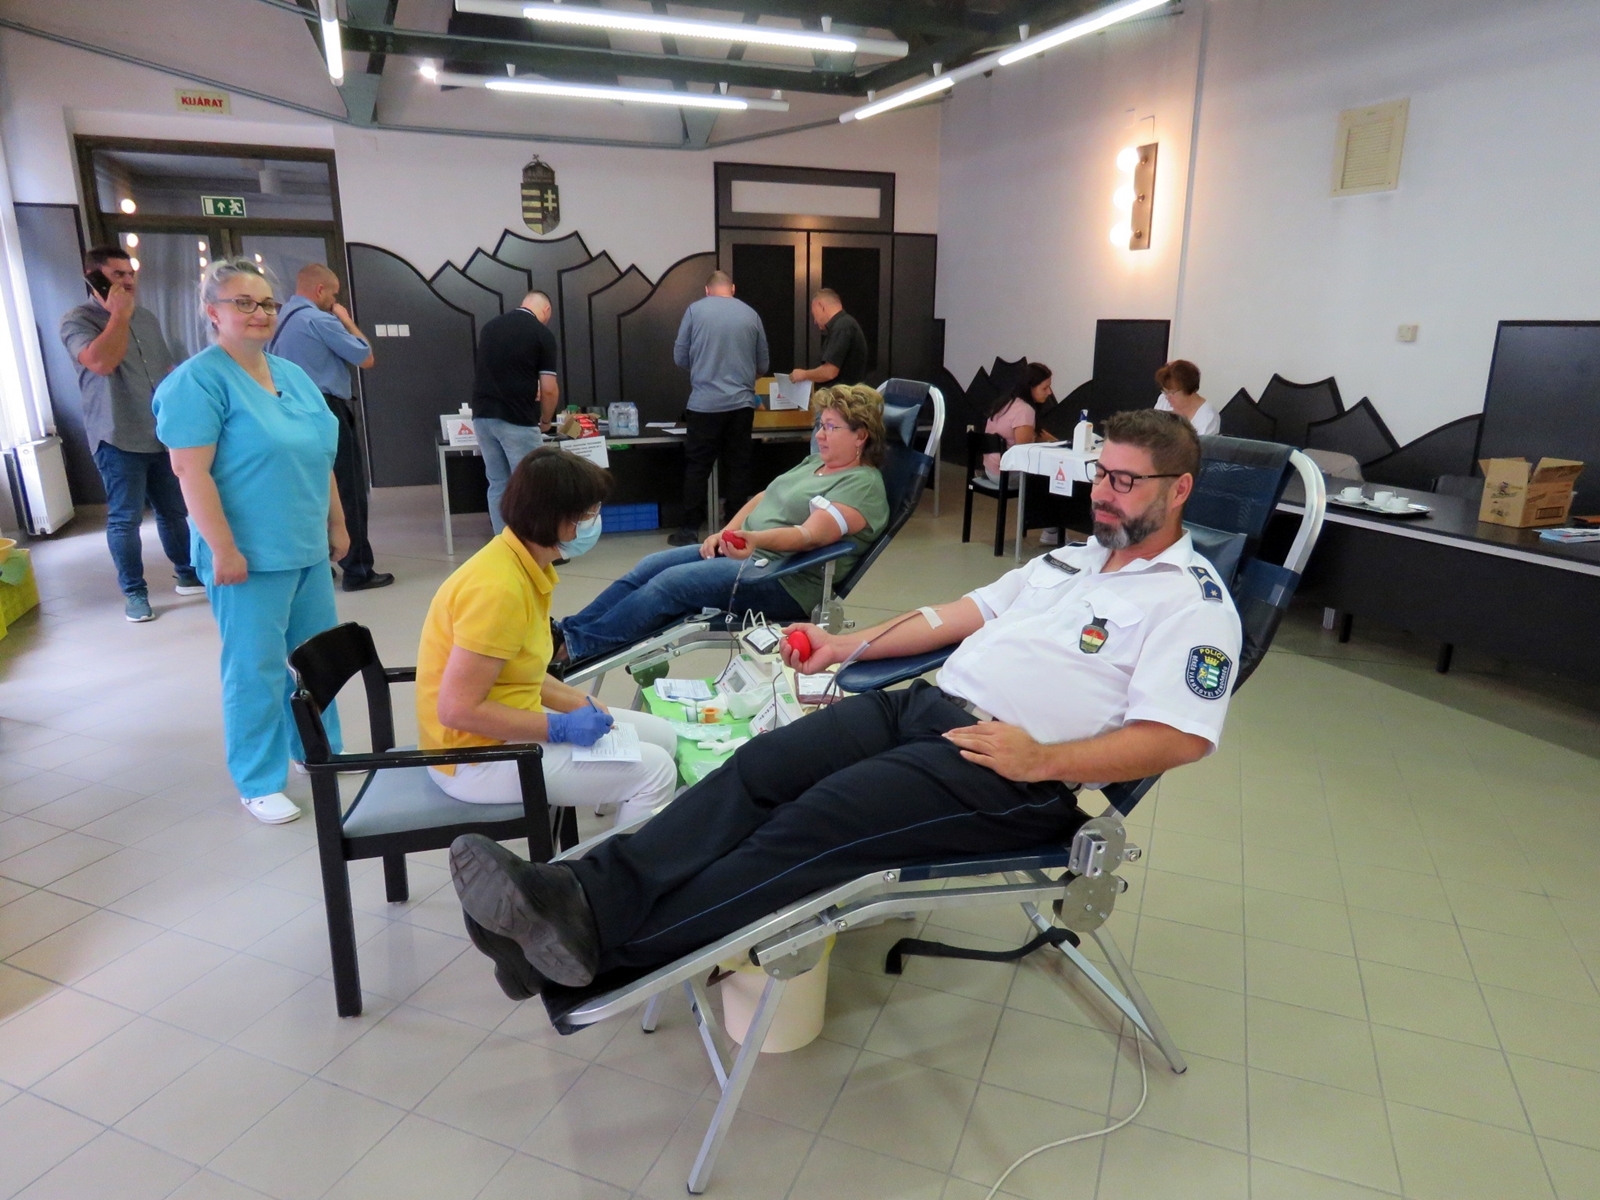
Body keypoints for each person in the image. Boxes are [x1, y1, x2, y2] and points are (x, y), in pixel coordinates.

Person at [448, 408, 1242, 999]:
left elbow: (1181, 738)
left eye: (1124, 482)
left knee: (811, 826)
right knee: (759, 768)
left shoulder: (1193, 605)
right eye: (1101, 474)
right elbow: (953, 615)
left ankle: (601, 953)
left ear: (1179, 490)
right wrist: (844, 647)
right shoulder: (1069, 561)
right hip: (927, 708)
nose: (1103, 494)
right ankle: (577, 896)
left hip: (1010, 772)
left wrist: (1044, 759)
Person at [154, 259, 346, 827]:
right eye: (243, 302)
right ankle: (258, 780)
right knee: (255, 668)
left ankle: (317, 749)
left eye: (266, 303)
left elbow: (320, 455)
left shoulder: (292, 375)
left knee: (315, 660)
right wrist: (223, 550)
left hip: (304, 544)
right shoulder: (198, 382)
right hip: (247, 554)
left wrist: (336, 524)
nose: (259, 313)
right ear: (212, 313)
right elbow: (190, 472)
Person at [417, 447, 678, 837]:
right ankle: (618, 871)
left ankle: (625, 819)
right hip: (474, 759)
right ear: (559, 520)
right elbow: (457, 710)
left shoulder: (519, 563)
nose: (595, 521)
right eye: (589, 513)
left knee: (664, 737)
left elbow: (519, 671)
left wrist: (580, 702)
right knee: (656, 771)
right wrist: (559, 729)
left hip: (504, 727)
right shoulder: (498, 590)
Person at [552, 384, 890, 668]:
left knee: (671, 585)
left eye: (831, 427)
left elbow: (809, 536)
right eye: (820, 425)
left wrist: (753, 539)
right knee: (649, 567)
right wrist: (725, 532)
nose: (820, 435)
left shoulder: (862, 485)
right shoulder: (816, 462)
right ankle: (567, 633)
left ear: (860, 436)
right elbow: (764, 496)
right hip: (751, 554)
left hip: (783, 579)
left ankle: (575, 648)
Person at [60, 245, 201, 622]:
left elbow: (165, 370)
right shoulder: (77, 320)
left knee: (174, 511)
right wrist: (119, 315)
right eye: (116, 275)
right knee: (126, 519)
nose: (127, 281)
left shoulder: (147, 318)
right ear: (94, 278)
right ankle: (135, 592)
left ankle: (188, 573)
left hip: (161, 434)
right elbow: (101, 362)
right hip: (117, 436)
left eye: (130, 274)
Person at [267, 263, 392, 592]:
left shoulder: (279, 320)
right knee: (348, 489)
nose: (335, 301)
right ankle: (358, 568)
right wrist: (346, 320)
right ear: (320, 290)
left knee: (310, 491)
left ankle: (319, 562)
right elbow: (365, 356)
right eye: (333, 294)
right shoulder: (319, 319)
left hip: (289, 411)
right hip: (326, 410)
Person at [666, 270, 770, 547]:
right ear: (732, 288)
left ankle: (689, 530)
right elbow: (763, 364)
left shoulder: (694, 311)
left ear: (707, 290)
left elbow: (679, 356)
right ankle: (735, 529)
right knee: (738, 466)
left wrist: (703, 367)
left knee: (698, 467)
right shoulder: (751, 314)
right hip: (741, 405)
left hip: (704, 405)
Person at [472, 291, 560, 534]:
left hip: (482, 416)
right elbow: (549, 389)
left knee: (498, 483)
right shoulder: (541, 334)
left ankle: (504, 544)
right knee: (532, 486)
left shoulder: (489, 328)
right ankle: (532, 545)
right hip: (517, 419)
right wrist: (546, 420)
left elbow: (500, 372)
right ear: (546, 310)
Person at [983, 362, 1054, 481]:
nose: (1049, 392)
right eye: (1044, 388)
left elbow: (1036, 433)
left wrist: (1060, 442)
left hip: (990, 470)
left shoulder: (1006, 402)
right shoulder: (1025, 410)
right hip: (1006, 475)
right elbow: (1024, 451)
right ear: (1030, 387)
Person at [788, 289, 868, 389]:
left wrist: (804, 374)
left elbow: (829, 372)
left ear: (821, 306)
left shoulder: (842, 327)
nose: (815, 321)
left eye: (814, 314)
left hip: (843, 396)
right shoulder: (844, 325)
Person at [1154, 359, 1220, 437]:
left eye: (1172, 393)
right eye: (1165, 391)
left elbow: (1199, 444)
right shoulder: (1163, 400)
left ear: (1188, 390)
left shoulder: (1208, 417)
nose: (1167, 397)